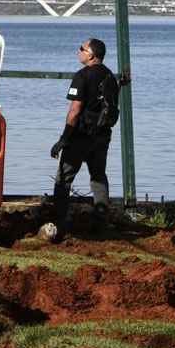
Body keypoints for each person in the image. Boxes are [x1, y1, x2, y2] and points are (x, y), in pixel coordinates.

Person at [50, 38, 118, 238]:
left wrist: (63, 139)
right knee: (98, 177)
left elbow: (75, 110)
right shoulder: (110, 77)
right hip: (102, 136)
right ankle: (100, 223)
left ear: (91, 54)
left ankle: (59, 225)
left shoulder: (82, 76)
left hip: (80, 136)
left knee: (64, 179)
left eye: (82, 49)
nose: (78, 51)